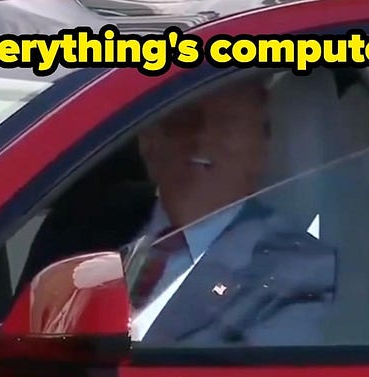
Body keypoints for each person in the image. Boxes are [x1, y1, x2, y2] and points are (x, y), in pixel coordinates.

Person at [124, 75, 338, 346]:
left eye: (227, 124)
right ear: (147, 142)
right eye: (183, 120)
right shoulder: (92, 224)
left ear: (261, 149)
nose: (202, 139)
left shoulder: (293, 270)